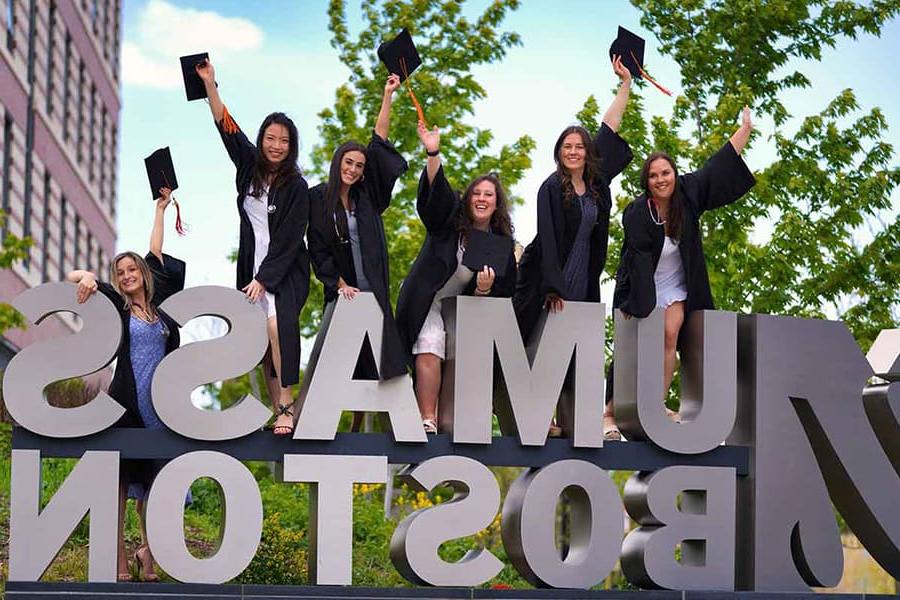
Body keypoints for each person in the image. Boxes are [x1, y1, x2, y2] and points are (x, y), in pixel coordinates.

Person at [606, 106, 755, 440]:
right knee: (633, 348)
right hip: (640, 286)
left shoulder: (687, 195)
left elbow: (718, 165)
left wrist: (744, 130)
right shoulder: (637, 212)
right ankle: (610, 411)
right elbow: (637, 261)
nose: (661, 180)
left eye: (666, 173)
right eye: (654, 176)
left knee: (670, 336)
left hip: (675, 284)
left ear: (674, 174)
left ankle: (655, 406)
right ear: (646, 182)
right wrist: (637, 305)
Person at [67, 188, 183, 582]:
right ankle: (117, 560)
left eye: (133, 270)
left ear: (143, 275)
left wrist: (160, 210)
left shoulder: (163, 310)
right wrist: (85, 276)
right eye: (120, 273)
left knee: (153, 487)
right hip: (126, 406)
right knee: (119, 487)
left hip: (160, 407)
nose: (127, 275)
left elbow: (156, 250)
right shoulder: (117, 307)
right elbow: (73, 278)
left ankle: (147, 557)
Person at [195, 59, 310, 436]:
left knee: (279, 328)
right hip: (251, 268)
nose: (276, 146)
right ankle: (279, 409)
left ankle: (289, 406)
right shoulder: (248, 166)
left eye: (284, 141)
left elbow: (292, 239)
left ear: (291, 147)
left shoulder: (296, 186)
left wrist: (265, 278)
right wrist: (211, 85)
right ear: (262, 140)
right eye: (270, 138)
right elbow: (225, 127)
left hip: (285, 272)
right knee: (261, 342)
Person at [396, 122, 517, 434]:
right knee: (430, 343)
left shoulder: (500, 243)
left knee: (461, 351)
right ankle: (427, 418)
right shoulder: (449, 224)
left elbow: (505, 295)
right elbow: (436, 196)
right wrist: (433, 152)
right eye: (476, 193)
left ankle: (460, 416)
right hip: (428, 301)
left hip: (463, 312)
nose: (481, 198)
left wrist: (483, 290)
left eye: (488, 194)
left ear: (496, 202)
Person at [514, 55, 633, 342]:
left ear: (587, 152)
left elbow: (609, 126)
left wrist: (626, 84)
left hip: (584, 271)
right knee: (539, 339)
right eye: (567, 146)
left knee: (576, 346)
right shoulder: (551, 187)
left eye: (579, 146)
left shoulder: (596, 183)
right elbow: (549, 239)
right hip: (548, 274)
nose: (573, 151)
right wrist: (552, 286)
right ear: (559, 152)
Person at [308, 74, 409, 385]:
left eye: (359, 166)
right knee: (330, 361)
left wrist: (388, 95)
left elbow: (378, 142)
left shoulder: (367, 198)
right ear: (338, 162)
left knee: (379, 365)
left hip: (373, 292)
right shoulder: (318, 198)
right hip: (344, 294)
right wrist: (339, 284)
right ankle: (303, 413)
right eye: (348, 162)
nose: (353, 169)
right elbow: (318, 249)